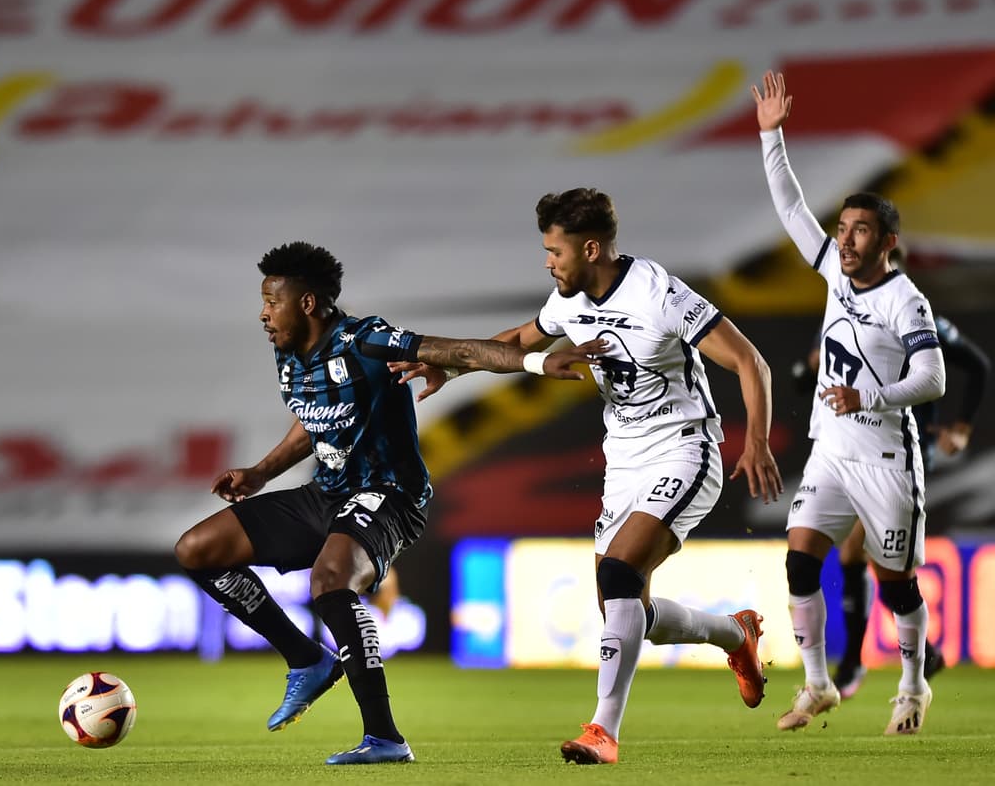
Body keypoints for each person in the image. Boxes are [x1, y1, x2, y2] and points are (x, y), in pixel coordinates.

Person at [391, 187, 784, 765]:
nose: (548, 262)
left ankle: (603, 731)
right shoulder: (567, 301)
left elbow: (749, 360)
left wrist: (755, 443)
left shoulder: (659, 293)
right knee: (625, 610)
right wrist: (450, 365)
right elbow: (518, 342)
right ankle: (735, 633)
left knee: (621, 574)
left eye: (555, 251)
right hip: (623, 461)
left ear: (592, 249)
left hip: (684, 448)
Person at [173, 241, 599, 765]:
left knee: (330, 581)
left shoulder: (367, 339)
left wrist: (535, 360)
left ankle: (385, 738)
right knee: (197, 549)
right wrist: (260, 472)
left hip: (389, 495)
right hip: (325, 494)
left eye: (270, 301)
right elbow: (314, 420)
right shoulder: (289, 351)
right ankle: (306, 660)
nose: (263, 314)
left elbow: (461, 352)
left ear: (306, 303)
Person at [753, 70, 946, 735]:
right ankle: (817, 684)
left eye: (860, 230)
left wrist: (873, 393)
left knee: (895, 584)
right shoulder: (834, 269)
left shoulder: (906, 300)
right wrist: (770, 133)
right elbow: (788, 208)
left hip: (886, 458)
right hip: (831, 452)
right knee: (801, 558)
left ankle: (914, 687)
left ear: (887, 241)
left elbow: (934, 377)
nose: (845, 238)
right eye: (842, 227)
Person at [794, 250, 990, 699]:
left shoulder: (916, 320)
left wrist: (960, 427)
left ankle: (858, 666)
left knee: (861, 558)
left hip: (903, 453)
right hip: (856, 450)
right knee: (863, 561)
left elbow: (976, 365)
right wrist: (808, 368)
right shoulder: (842, 315)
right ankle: (899, 658)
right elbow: (810, 379)